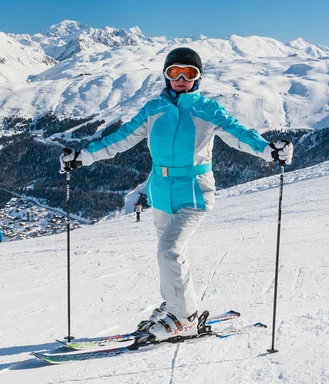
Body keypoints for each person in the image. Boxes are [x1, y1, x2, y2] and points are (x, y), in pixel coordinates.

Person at [59, 47, 293, 342]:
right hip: (160, 191)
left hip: (194, 192)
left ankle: (185, 318)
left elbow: (239, 134)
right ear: (166, 76)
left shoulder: (206, 109)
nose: (181, 79)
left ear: (198, 79)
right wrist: (83, 156)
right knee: (168, 254)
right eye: (174, 73)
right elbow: (120, 139)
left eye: (189, 74)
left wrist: (269, 150)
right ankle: (175, 305)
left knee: (169, 249)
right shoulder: (153, 108)